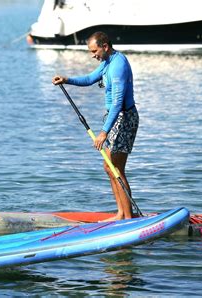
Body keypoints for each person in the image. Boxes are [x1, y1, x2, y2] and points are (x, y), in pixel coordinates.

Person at [52, 31, 139, 221]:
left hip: (124, 119)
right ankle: (121, 213)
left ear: (105, 46)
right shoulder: (107, 63)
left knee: (116, 168)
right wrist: (67, 80)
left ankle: (129, 218)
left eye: (94, 51)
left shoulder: (118, 66)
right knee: (109, 167)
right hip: (114, 118)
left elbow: (117, 103)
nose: (93, 55)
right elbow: (90, 79)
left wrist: (103, 133)